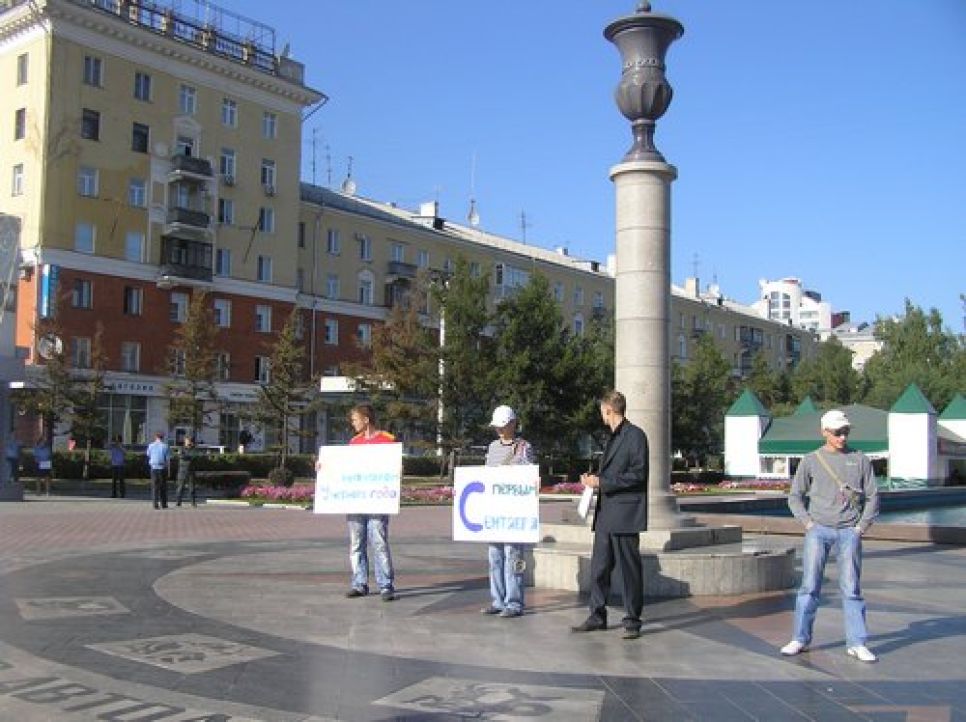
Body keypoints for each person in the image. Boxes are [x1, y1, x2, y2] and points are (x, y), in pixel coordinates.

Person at [781, 409, 880, 663]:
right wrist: (808, 524)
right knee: (809, 586)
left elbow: (873, 496)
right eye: (837, 432)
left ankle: (857, 642)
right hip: (819, 531)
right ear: (824, 432)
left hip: (849, 531)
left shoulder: (860, 460)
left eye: (846, 431)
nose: (843, 437)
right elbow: (795, 496)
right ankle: (800, 638)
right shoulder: (811, 460)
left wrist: (860, 528)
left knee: (851, 588)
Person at [572, 390, 648, 640]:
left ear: (609, 410)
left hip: (625, 515)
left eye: (601, 411)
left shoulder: (635, 436)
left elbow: (638, 474)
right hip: (606, 514)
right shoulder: (613, 438)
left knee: (629, 571)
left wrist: (602, 482)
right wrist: (593, 479)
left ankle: (632, 620)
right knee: (599, 567)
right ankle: (597, 614)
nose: (600, 415)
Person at [481, 405, 535, 619]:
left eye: (503, 426)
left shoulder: (524, 447)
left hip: (514, 511)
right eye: (497, 427)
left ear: (513, 424)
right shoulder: (493, 447)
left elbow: (528, 477)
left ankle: (514, 602)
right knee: (495, 555)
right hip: (495, 510)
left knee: (513, 555)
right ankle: (498, 599)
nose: (499, 431)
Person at [345, 404, 397, 601]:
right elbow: (344, 469)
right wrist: (325, 467)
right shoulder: (354, 442)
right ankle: (359, 583)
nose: (353, 423)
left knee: (379, 541)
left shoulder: (387, 440)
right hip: (356, 501)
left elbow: (395, 467)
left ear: (366, 419)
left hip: (377, 500)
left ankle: (386, 584)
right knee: (356, 543)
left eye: (355, 419)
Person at [146, 432, 170, 510]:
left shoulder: (151, 445)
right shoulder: (165, 446)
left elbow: (148, 455)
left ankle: (155, 504)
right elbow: (167, 459)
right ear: (162, 437)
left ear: (155, 437)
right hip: (162, 467)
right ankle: (163, 504)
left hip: (153, 467)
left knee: (155, 486)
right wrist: (168, 470)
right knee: (163, 486)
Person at [175, 436, 198, 507]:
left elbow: (194, 456)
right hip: (182, 471)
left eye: (190, 441)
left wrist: (186, 455)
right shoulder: (181, 448)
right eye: (187, 441)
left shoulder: (193, 449)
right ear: (185, 441)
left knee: (192, 488)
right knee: (180, 487)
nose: (188, 442)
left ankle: (193, 502)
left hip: (191, 471)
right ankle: (178, 502)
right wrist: (187, 456)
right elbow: (181, 456)